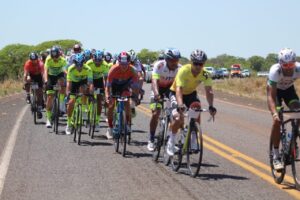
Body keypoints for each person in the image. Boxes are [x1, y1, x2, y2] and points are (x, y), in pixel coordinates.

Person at [166, 49, 217, 156]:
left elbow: (209, 90)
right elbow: (179, 89)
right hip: (176, 93)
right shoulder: (184, 70)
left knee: (197, 108)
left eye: (201, 64)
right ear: (191, 62)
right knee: (178, 118)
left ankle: (193, 136)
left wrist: (211, 106)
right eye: (196, 63)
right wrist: (180, 105)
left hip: (190, 94)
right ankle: (171, 141)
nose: (198, 66)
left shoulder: (205, 74)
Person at [267, 48, 300, 170]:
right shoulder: (275, 71)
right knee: (277, 120)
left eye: (291, 64)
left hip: (289, 91)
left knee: (298, 111)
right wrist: (274, 113)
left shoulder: (298, 68)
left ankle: (293, 141)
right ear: (280, 64)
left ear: (294, 63)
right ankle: (275, 156)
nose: (288, 67)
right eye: (285, 64)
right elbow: (271, 96)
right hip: (275, 93)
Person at [147, 48, 181, 151]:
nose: (175, 62)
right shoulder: (159, 65)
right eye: (173, 60)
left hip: (170, 90)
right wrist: (157, 94)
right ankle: (151, 139)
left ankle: (171, 140)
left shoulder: (180, 68)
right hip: (158, 88)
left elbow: (180, 86)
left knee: (175, 115)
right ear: (166, 59)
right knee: (155, 113)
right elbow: (154, 81)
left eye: (177, 60)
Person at [105, 51, 140, 139]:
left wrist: (136, 96)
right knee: (111, 105)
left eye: (126, 64)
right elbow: (107, 86)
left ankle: (127, 124)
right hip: (114, 86)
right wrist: (107, 96)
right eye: (121, 64)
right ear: (118, 62)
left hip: (124, 86)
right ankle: (110, 128)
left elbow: (135, 85)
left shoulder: (133, 70)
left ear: (129, 62)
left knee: (127, 103)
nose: (124, 66)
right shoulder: (113, 69)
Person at [65, 53, 94, 135]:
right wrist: (68, 93)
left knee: (84, 89)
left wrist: (91, 93)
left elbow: (90, 83)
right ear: (74, 63)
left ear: (83, 63)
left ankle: (84, 110)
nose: (79, 67)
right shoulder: (71, 69)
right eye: (77, 64)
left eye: (81, 64)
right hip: (73, 83)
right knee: (71, 103)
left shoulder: (88, 69)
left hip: (83, 83)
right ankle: (69, 123)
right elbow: (68, 83)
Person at [44, 46, 68, 128]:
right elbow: (46, 70)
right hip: (51, 76)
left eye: (56, 57)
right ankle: (48, 119)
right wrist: (46, 80)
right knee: (50, 97)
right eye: (53, 57)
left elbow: (64, 70)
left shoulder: (63, 60)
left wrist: (68, 74)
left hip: (59, 75)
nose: (54, 59)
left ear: (59, 55)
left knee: (62, 82)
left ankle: (61, 104)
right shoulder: (48, 59)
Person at [86, 50, 109, 128]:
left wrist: (106, 90)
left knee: (99, 99)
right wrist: (90, 89)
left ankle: (97, 121)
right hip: (90, 78)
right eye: (96, 61)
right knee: (89, 96)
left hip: (99, 80)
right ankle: (88, 116)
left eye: (100, 61)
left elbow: (106, 79)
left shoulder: (105, 65)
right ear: (93, 59)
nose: (98, 63)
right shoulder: (89, 63)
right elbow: (88, 79)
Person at [23, 52, 45, 119]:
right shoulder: (27, 63)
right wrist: (25, 82)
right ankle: (28, 95)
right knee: (27, 80)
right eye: (32, 60)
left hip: (38, 76)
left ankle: (39, 108)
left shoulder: (40, 63)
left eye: (34, 60)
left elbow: (43, 74)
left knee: (39, 93)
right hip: (31, 75)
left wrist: (44, 83)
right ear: (30, 59)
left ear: (37, 59)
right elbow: (25, 74)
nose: (33, 61)